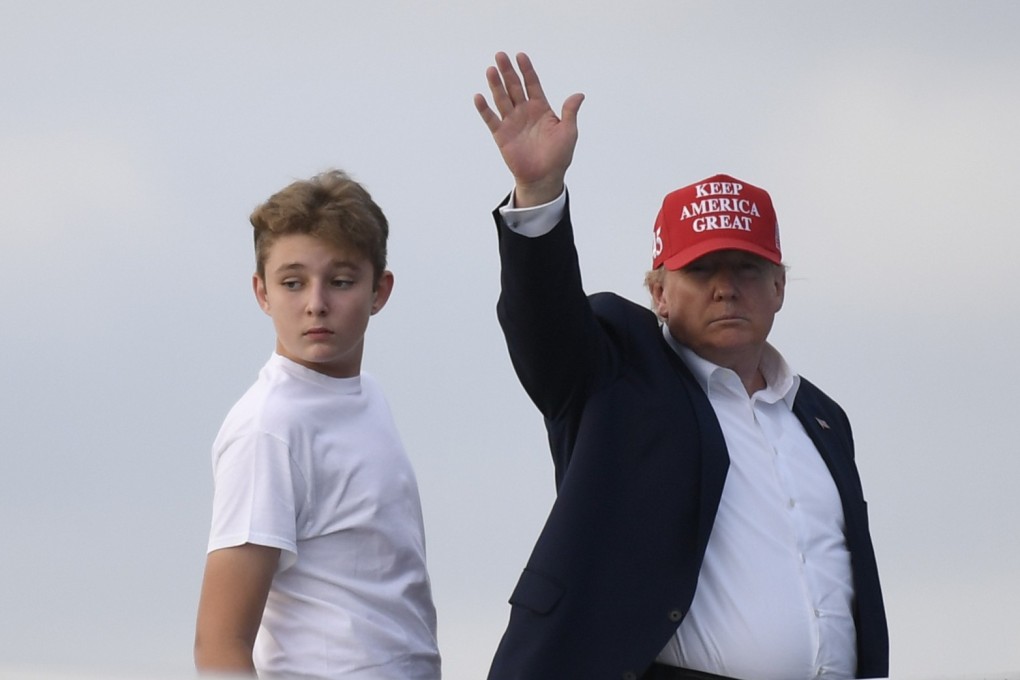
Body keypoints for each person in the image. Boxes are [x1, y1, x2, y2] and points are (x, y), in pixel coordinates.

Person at [473, 52, 888, 680]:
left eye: (747, 269)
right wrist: (538, 193)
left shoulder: (823, 419)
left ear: (779, 288)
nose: (726, 288)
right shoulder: (615, 370)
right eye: (700, 270)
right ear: (658, 293)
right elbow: (544, 325)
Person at [194, 170, 441, 679]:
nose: (316, 303)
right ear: (262, 293)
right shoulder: (268, 427)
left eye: (342, 281)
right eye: (292, 282)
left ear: (380, 290)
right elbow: (219, 644)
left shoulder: (367, 395)